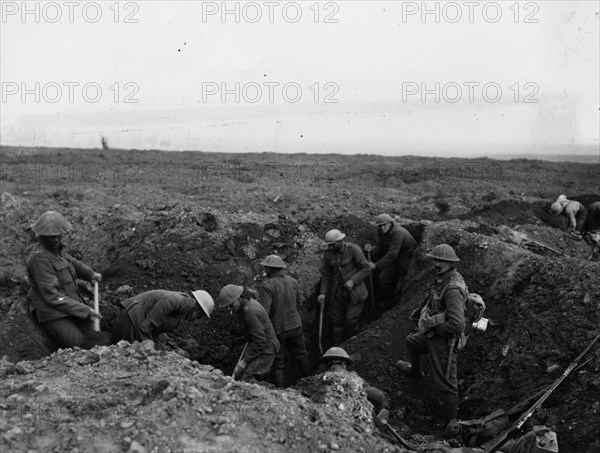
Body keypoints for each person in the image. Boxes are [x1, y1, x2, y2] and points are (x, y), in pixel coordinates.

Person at [397, 243, 467, 427]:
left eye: (442, 261)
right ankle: (416, 371)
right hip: (433, 334)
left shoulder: (452, 289)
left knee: (447, 384)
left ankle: (451, 424)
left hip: (445, 341)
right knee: (412, 342)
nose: (437, 263)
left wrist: (437, 331)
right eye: (436, 259)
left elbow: (458, 324)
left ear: (451, 263)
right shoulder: (442, 279)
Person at [24, 211, 111, 349]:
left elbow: (71, 262)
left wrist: (90, 274)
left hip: (72, 304)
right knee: (80, 346)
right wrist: (86, 310)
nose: (55, 240)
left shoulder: (57, 249)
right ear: (41, 235)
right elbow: (52, 297)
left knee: (98, 337)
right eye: (50, 237)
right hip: (52, 312)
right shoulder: (39, 258)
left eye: (58, 236)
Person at [258, 255, 310, 387]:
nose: (264, 269)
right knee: (302, 355)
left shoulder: (267, 286)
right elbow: (299, 304)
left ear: (271, 269)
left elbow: (264, 312)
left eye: (266, 267)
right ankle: (310, 382)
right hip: (296, 326)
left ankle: (281, 391)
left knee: (279, 362)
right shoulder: (293, 282)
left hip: (278, 329)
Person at [318, 229, 370, 346]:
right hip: (337, 293)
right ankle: (338, 348)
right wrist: (323, 293)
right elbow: (326, 275)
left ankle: (353, 344)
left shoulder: (353, 250)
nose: (330, 247)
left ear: (340, 241)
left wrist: (353, 281)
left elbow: (366, 268)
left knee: (351, 320)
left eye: (332, 245)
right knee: (336, 321)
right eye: (328, 245)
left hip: (355, 293)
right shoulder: (328, 254)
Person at [218, 284, 280, 382]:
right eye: (227, 306)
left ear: (238, 299)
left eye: (230, 305)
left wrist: (245, 361)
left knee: (245, 378)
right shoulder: (244, 307)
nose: (229, 309)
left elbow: (260, 340)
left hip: (266, 349)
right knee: (241, 374)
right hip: (259, 345)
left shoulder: (250, 313)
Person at [111, 289, 214, 343]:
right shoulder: (188, 302)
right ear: (198, 309)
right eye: (200, 316)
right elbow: (169, 301)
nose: (197, 319)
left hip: (129, 321)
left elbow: (155, 330)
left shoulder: (179, 312)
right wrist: (149, 323)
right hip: (131, 320)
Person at [365, 214, 416, 309]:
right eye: (380, 225)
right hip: (394, 257)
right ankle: (389, 301)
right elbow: (379, 244)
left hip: (407, 258)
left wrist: (375, 265)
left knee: (402, 284)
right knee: (383, 278)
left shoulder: (398, 232)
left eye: (384, 225)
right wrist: (372, 249)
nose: (382, 227)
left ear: (390, 223)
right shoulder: (381, 231)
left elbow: (392, 254)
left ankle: (398, 306)